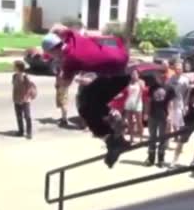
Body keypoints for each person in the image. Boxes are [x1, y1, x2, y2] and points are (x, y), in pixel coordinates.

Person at [41, 23, 130, 168]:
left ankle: (113, 140)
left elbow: (65, 84)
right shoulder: (72, 36)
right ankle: (116, 131)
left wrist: (59, 73)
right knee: (93, 100)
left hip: (116, 77)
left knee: (84, 106)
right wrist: (50, 33)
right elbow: (57, 26)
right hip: (122, 63)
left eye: (51, 56)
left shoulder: (70, 60)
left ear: (53, 51)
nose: (53, 59)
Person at [145, 72, 175, 168]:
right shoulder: (152, 87)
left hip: (163, 116)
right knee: (152, 137)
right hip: (153, 115)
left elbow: (170, 103)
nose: (161, 78)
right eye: (160, 77)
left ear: (166, 78)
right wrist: (146, 113)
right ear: (157, 77)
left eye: (164, 77)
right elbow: (149, 101)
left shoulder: (169, 88)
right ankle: (151, 158)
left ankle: (161, 159)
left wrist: (169, 115)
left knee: (162, 138)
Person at [12, 60, 36, 139]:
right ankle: (21, 131)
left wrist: (26, 97)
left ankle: (29, 133)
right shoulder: (14, 76)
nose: (13, 67)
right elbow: (14, 85)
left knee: (27, 116)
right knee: (19, 116)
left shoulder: (26, 76)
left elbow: (30, 87)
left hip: (25, 100)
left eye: (14, 66)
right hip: (17, 99)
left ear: (18, 67)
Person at [167, 62, 190, 138]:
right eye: (177, 69)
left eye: (180, 69)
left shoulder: (185, 80)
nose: (178, 70)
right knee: (173, 119)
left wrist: (186, 103)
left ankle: (180, 134)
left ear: (182, 70)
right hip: (172, 102)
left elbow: (188, 91)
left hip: (180, 102)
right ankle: (176, 135)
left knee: (180, 119)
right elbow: (167, 89)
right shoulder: (171, 79)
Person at [124, 69, 146, 144]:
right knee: (130, 121)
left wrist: (140, 84)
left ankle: (141, 138)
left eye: (135, 74)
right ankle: (131, 137)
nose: (133, 75)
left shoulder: (141, 82)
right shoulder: (129, 82)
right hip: (129, 102)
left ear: (138, 74)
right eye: (132, 74)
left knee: (139, 121)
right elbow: (125, 92)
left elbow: (143, 91)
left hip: (138, 102)